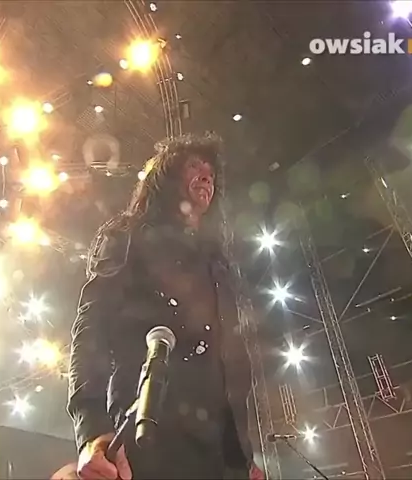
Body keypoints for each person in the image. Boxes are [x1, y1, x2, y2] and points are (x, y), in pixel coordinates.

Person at [67, 133, 265, 480]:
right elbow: (91, 328)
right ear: (165, 177)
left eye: (211, 173)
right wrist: (92, 430)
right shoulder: (128, 237)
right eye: (194, 167)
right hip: (150, 431)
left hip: (221, 452)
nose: (206, 177)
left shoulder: (218, 263)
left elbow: (232, 361)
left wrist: (243, 454)